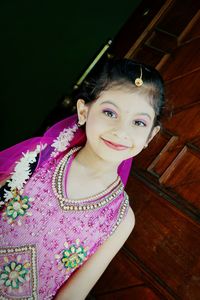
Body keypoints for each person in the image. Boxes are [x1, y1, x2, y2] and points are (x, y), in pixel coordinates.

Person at [0, 58, 165, 299]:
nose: (121, 131)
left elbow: (73, 294)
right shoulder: (38, 159)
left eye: (139, 122)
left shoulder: (120, 219)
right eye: (110, 112)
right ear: (83, 111)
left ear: (151, 135)